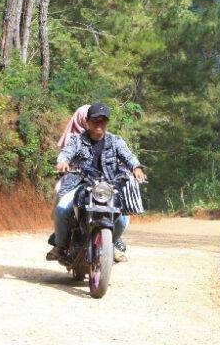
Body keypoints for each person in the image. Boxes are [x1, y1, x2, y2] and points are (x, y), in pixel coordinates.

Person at [47, 103, 146, 263]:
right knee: (61, 209)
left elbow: (129, 156)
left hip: (108, 186)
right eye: (95, 120)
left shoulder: (115, 141)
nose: (99, 123)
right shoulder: (77, 140)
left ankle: (111, 244)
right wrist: (63, 162)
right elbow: (66, 153)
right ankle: (60, 246)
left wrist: (136, 167)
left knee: (122, 218)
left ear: (107, 122)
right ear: (87, 121)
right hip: (80, 184)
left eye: (103, 120)